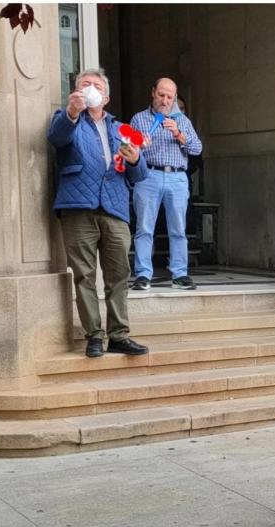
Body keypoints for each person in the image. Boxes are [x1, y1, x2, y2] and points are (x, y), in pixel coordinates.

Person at [47, 68, 149, 359]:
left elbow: (139, 174)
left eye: (96, 86)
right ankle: (94, 335)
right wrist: (72, 111)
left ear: (106, 96)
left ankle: (119, 335)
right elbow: (57, 138)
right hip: (78, 207)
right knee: (84, 275)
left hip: (115, 207)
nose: (91, 89)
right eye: (84, 85)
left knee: (118, 275)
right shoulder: (66, 119)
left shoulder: (122, 129)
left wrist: (136, 158)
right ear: (76, 92)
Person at [129, 77, 203, 291]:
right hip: (148, 175)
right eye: (161, 95)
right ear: (153, 93)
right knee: (144, 227)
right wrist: (138, 145)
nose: (165, 100)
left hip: (177, 177)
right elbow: (127, 151)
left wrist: (179, 134)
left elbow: (197, 148)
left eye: (170, 97)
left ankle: (180, 275)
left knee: (178, 229)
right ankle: (143, 275)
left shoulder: (183, 121)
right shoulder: (139, 119)